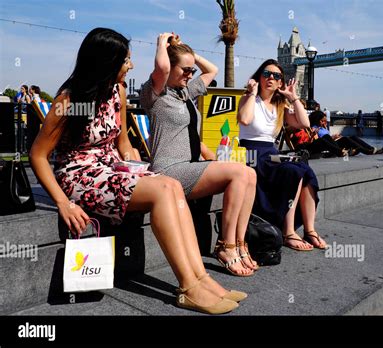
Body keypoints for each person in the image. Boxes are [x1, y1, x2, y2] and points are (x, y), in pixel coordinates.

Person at [30, 28, 242, 315]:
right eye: (125, 60)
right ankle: (188, 287)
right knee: (163, 190)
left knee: (169, 184)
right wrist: (63, 203)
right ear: (106, 62)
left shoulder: (117, 91)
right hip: (79, 175)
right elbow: (39, 155)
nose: (131, 66)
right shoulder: (68, 101)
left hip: (111, 168)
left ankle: (202, 278)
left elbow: (124, 143)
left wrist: (136, 167)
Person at [140, 33, 258, 276]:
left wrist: (190, 57)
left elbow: (212, 70)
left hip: (188, 167)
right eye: (184, 69)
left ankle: (238, 243)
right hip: (168, 170)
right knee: (238, 172)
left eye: (191, 71)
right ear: (169, 68)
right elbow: (161, 66)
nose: (189, 74)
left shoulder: (184, 93)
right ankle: (226, 246)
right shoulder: (155, 95)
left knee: (249, 174)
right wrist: (163, 43)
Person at [237, 58, 328, 251]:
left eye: (276, 76)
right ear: (259, 77)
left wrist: (293, 97)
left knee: (304, 170)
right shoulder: (249, 99)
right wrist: (252, 93)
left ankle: (310, 230)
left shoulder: (280, 106)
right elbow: (244, 119)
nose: (270, 78)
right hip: (251, 153)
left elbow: (304, 123)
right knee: (293, 170)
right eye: (266, 74)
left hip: (271, 153)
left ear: (280, 82)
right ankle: (288, 232)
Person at [307, 111, 383, 156]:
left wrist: (333, 137)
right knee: (346, 139)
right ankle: (368, 151)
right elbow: (319, 141)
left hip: (333, 142)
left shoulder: (322, 128)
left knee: (353, 137)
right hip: (330, 147)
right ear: (317, 120)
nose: (324, 122)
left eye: (324, 121)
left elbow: (328, 137)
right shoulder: (314, 128)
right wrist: (332, 138)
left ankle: (371, 149)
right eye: (322, 121)